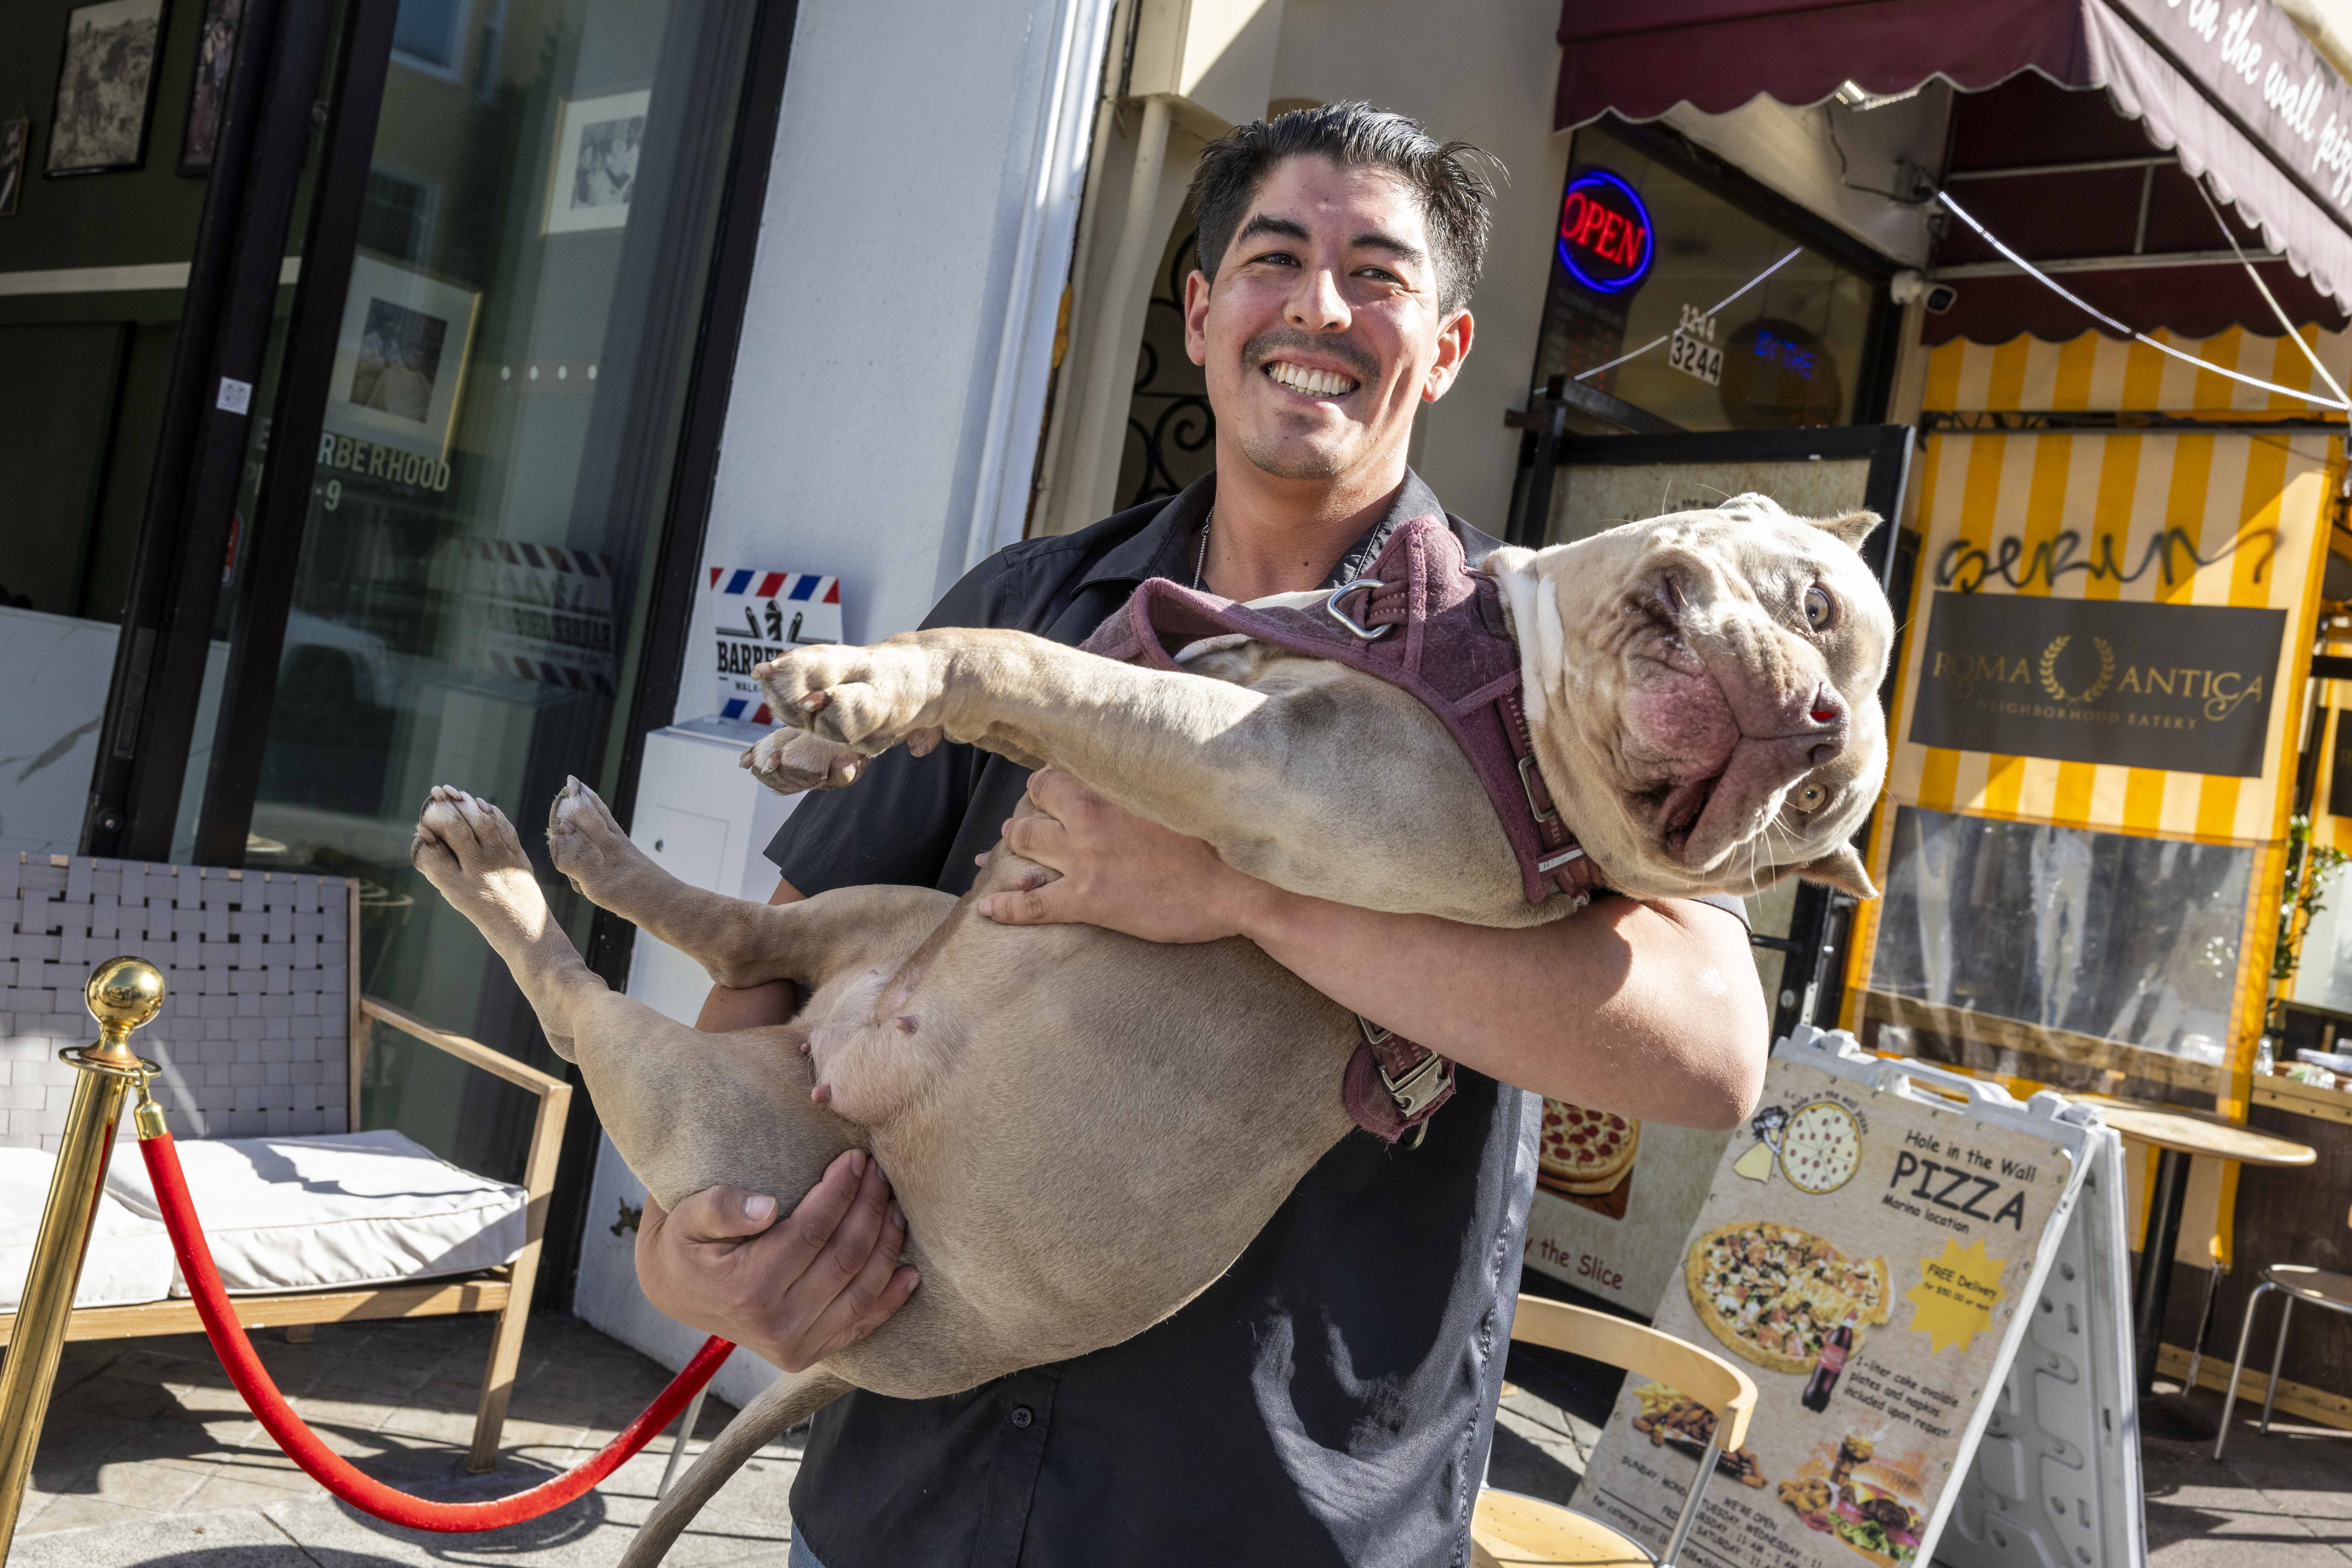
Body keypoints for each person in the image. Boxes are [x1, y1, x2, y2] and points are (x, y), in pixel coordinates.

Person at [634, 103, 1769, 1567]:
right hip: (907, 1502)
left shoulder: (1545, 678)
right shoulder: (1027, 609)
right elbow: (769, 988)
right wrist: (700, 1246)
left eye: (1379, 274)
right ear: (1197, 313)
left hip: (1272, 1521)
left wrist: (1246, 897)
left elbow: (1708, 1049)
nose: (1318, 307)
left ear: (1447, 348)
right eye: (1273, 258)